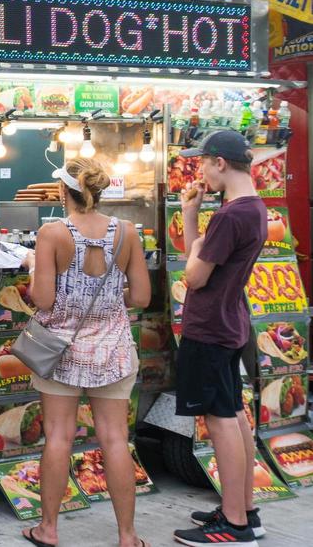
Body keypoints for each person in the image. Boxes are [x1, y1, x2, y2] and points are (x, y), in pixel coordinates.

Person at [20, 158, 149, 547]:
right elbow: (141, 297)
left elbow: (43, 299)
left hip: (60, 352)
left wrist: (30, 268)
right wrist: (108, 300)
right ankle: (128, 537)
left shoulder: (52, 233)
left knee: (58, 437)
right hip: (113, 352)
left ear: (64, 192)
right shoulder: (127, 232)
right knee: (115, 439)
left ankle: (48, 529)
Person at [173, 131, 269, 546]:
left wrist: (197, 230)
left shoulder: (230, 216)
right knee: (233, 415)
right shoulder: (254, 208)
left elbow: (193, 276)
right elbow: (199, 255)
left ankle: (233, 523)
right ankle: (244, 509)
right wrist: (191, 215)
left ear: (220, 163)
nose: (200, 172)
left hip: (210, 326)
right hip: (231, 323)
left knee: (220, 420)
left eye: (203, 164)